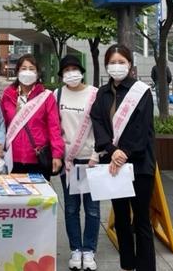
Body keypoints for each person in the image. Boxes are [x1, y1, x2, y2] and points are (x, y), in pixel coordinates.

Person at [90, 44, 156, 271]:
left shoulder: (141, 92)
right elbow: (97, 123)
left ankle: (146, 267)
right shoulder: (102, 93)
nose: (116, 66)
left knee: (141, 219)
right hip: (113, 165)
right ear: (106, 65)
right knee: (120, 217)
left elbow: (142, 128)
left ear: (129, 64)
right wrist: (111, 150)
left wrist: (124, 152)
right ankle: (127, 264)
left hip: (139, 165)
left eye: (121, 62)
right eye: (112, 62)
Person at [55, 55, 100, 271]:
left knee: (92, 209)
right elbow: (54, 127)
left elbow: (103, 126)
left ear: (81, 72)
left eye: (74, 69)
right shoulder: (57, 95)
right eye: (66, 70)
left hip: (90, 160)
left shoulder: (94, 94)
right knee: (71, 208)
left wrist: (97, 154)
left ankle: (89, 250)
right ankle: (76, 249)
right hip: (69, 162)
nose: (71, 73)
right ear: (62, 74)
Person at [0, 54, 64, 182]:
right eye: (23, 68)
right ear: (17, 72)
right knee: (14, 194)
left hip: (38, 158)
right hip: (13, 158)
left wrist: (57, 154)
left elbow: (54, 127)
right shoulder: (8, 95)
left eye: (31, 69)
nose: (27, 72)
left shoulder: (46, 97)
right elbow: (2, 125)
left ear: (38, 73)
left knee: (39, 194)